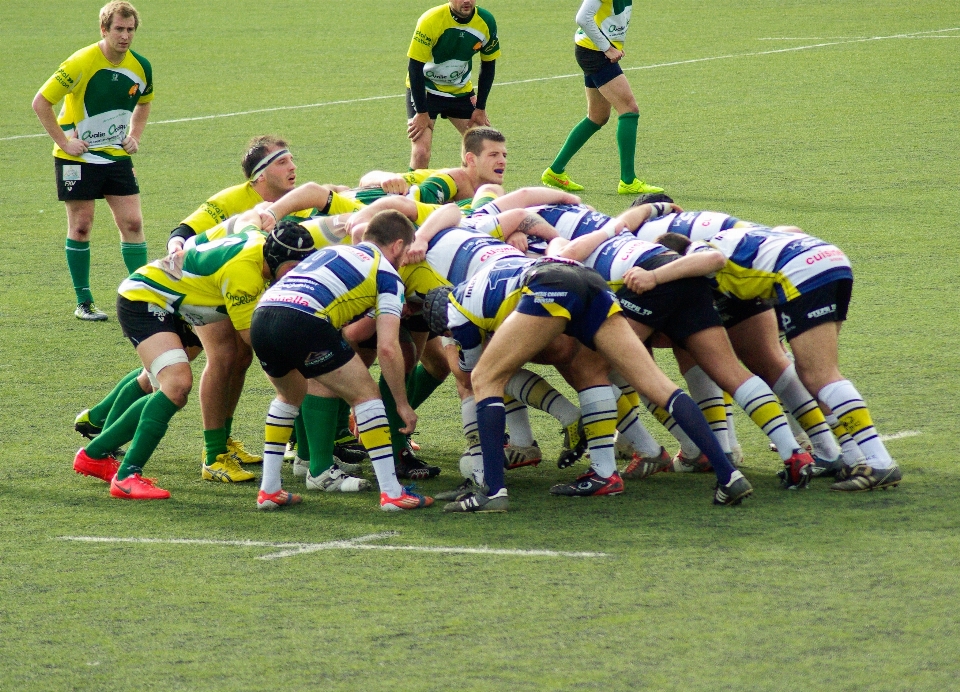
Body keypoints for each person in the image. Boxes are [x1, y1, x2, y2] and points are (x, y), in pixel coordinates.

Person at [423, 254, 751, 512]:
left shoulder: (456, 311)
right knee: (656, 384)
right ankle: (729, 476)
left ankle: (492, 492)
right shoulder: (486, 278)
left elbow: (470, 376)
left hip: (548, 284)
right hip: (588, 280)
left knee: (485, 379)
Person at [549, 202, 818, 487]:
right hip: (686, 278)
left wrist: (552, 244)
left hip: (650, 279)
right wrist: (657, 206)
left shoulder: (566, 251)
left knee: (587, 367)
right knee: (731, 372)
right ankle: (793, 454)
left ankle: (604, 473)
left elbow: (561, 256)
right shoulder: (620, 233)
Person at [72, 217, 316, 499]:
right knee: (176, 385)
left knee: (165, 390)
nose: (297, 275)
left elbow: (244, 223)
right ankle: (127, 477)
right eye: (293, 268)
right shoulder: (244, 274)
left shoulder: (259, 242)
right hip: (145, 299)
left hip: (175, 301)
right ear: (274, 259)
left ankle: (94, 455)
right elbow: (255, 338)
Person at [645, 228, 902, 491]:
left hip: (803, 273)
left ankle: (879, 461)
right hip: (831, 259)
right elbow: (788, 231)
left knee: (819, 375)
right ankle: (849, 456)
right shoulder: (726, 237)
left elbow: (714, 261)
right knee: (815, 373)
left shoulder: (698, 250)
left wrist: (652, 275)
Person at [251, 210, 433, 511]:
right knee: (367, 396)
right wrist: (401, 404)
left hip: (263, 315)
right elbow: (388, 347)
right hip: (302, 319)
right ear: (398, 245)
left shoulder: (335, 250)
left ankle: (269, 489)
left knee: (290, 395)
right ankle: (392, 493)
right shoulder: (387, 274)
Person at [32, 1, 153, 321]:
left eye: (130, 30)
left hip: (115, 155)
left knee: (133, 223)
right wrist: (64, 141)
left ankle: (143, 297)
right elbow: (41, 102)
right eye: (119, 29)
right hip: (77, 158)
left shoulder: (141, 66)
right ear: (104, 29)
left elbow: (144, 102)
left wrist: (135, 135)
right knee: (82, 226)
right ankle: (83, 301)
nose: (125, 36)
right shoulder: (80, 62)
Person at [541, 0, 663, 196]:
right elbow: (582, 17)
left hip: (591, 49)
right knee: (629, 109)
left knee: (597, 116)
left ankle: (555, 171)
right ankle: (628, 181)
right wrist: (607, 47)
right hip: (595, 52)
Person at [405, 0, 500, 170]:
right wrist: (421, 112)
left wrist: (480, 108)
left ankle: (468, 191)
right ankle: (413, 196)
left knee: (485, 148)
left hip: (459, 92)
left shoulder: (486, 21)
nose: (466, 1)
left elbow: (488, 64)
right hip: (426, 90)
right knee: (421, 152)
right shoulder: (430, 20)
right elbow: (414, 67)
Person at [360, 127, 507, 207]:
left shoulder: (485, 198)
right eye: (493, 155)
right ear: (471, 159)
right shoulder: (444, 177)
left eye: (504, 155)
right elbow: (366, 179)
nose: (502, 161)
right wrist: (387, 178)